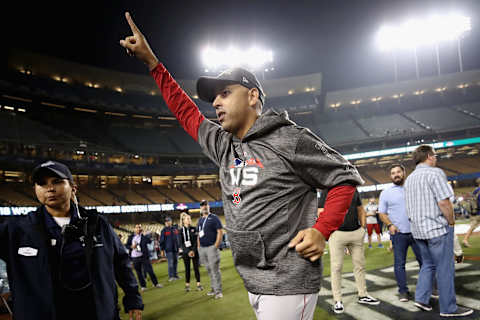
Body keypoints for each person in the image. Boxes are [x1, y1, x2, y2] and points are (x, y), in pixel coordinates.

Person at [120, 13, 363, 319]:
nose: (216, 103)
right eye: (214, 97)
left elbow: (344, 178)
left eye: (225, 93)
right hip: (252, 278)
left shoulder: (290, 139)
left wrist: (322, 230)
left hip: (288, 280)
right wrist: (153, 65)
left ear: (252, 96)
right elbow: (187, 112)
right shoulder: (224, 145)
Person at [0, 160, 143, 320]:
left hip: (96, 313)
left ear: (73, 188)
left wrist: (133, 298)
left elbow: (121, 263)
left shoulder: (97, 224)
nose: (50, 188)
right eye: (42, 184)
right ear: (35, 190)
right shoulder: (16, 230)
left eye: (57, 181)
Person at [405, 145, 473, 317]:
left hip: (418, 230)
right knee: (445, 268)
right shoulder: (435, 173)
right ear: (429, 156)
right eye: (435, 155)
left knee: (428, 265)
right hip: (436, 228)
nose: (436, 158)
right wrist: (451, 222)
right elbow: (444, 202)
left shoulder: (410, 178)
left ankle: (421, 298)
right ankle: (449, 309)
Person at [319, 189, 380, 314]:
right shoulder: (327, 189)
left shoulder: (353, 189)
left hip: (356, 233)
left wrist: (362, 228)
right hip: (337, 233)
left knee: (360, 266)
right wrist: (329, 232)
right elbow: (321, 212)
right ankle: (337, 300)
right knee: (336, 268)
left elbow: (360, 209)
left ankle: (363, 295)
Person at [378, 164, 423, 302]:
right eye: (393, 173)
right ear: (390, 176)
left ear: (404, 173)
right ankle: (403, 291)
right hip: (398, 234)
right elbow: (382, 213)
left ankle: (428, 287)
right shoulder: (386, 192)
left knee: (425, 263)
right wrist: (390, 225)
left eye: (398, 172)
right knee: (399, 264)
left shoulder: (414, 188)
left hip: (418, 232)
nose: (396, 175)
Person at [197, 200, 224, 299]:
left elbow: (220, 231)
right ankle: (213, 289)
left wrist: (216, 246)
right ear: (200, 208)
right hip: (203, 249)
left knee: (215, 270)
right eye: (202, 205)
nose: (204, 207)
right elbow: (198, 235)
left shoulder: (214, 218)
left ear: (209, 207)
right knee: (209, 270)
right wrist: (198, 247)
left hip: (211, 248)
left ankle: (218, 291)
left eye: (205, 205)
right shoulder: (200, 220)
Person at [126, 224, 163, 290]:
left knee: (150, 270)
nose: (138, 229)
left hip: (144, 256)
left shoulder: (143, 236)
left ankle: (156, 283)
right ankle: (143, 286)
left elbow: (149, 241)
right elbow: (127, 245)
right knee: (139, 272)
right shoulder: (131, 237)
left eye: (139, 228)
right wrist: (131, 246)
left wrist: (145, 234)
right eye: (136, 228)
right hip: (135, 257)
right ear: (134, 229)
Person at [180, 212, 203, 292]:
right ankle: (187, 285)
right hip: (186, 253)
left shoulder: (194, 229)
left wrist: (193, 250)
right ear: (183, 221)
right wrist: (188, 251)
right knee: (187, 269)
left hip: (194, 252)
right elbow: (181, 243)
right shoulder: (180, 231)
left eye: (189, 219)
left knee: (196, 268)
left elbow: (196, 241)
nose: (189, 220)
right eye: (187, 219)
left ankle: (199, 284)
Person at [160, 217, 180, 281]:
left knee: (176, 262)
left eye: (169, 221)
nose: (168, 222)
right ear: (165, 223)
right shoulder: (164, 230)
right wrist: (162, 250)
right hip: (169, 249)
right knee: (170, 263)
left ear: (171, 221)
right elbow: (162, 241)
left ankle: (175, 275)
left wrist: (179, 246)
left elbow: (178, 238)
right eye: (166, 221)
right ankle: (171, 276)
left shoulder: (175, 229)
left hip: (175, 248)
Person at [462, 177, 480, 247]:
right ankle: (465, 240)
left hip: (474, 212)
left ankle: (465, 240)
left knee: (472, 227)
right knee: (472, 227)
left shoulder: (474, 191)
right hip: (479, 212)